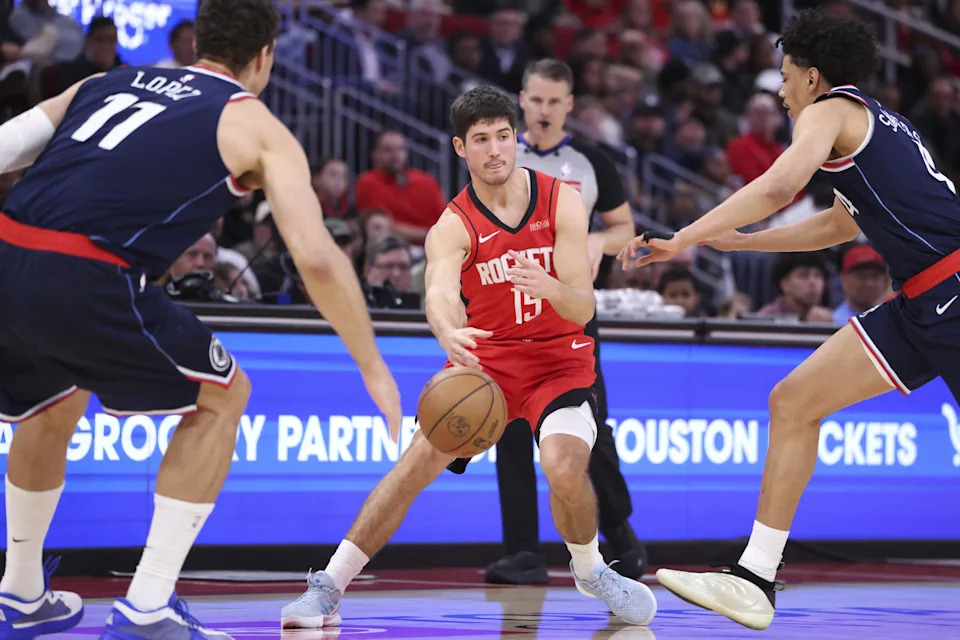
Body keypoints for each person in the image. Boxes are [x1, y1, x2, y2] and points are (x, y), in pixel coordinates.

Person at [0, 0, 402, 637]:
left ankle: (20, 591)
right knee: (223, 396)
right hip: (86, 270)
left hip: (7, 252)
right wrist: (372, 364)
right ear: (265, 56)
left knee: (55, 400)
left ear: (198, 41)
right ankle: (148, 606)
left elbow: (4, 148)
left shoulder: (105, 81)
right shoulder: (257, 124)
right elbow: (319, 259)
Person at [618, 9, 960, 631]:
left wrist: (684, 238)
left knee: (793, 401)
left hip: (954, 290)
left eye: (784, 76)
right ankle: (755, 577)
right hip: (922, 301)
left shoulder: (831, 110)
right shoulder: (872, 126)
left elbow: (779, 187)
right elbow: (840, 223)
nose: (780, 89)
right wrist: (742, 243)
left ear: (812, 76)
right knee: (793, 400)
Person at [280, 85, 658, 629]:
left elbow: (581, 308)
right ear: (461, 148)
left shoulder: (561, 200)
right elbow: (437, 292)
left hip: (559, 360)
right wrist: (446, 332)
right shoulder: (453, 224)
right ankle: (329, 585)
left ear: (515, 138)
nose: (495, 149)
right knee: (413, 466)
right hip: (487, 363)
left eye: (503, 136)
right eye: (481, 140)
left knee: (561, 464)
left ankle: (590, 569)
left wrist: (548, 287)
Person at [485, 58, 646, 586]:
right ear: (522, 99)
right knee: (508, 426)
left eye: (555, 101)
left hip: (572, 311)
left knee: (589, 424)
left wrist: (599, 240)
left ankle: (619, 531)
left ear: (570, 104)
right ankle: (523, 551)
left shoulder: (591, 160)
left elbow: (626, 229)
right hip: (508, 309)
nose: (545, 110)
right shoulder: (499, 155)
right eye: (536, 99)